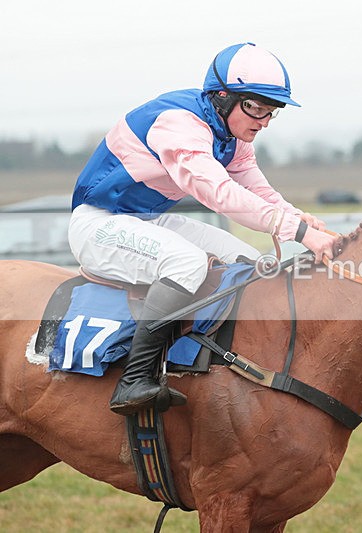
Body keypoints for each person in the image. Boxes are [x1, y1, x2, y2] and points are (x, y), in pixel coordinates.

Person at [69, 42, 340, 415]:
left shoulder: (230, 134)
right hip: (99, 224)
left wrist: (297, 217)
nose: (262, 120)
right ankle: (134, 380)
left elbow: (253, 185)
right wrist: (297, 232)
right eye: (255, 108)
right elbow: (220, 194)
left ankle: (221, 366)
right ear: (222, 97)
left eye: (270, 112)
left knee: (249, 260)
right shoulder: (179, 124)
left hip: (147, 219)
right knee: (187, 263)